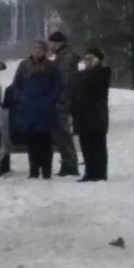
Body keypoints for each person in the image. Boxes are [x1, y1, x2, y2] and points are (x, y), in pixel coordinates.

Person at [10, 42, 64, 179]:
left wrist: (50, 100)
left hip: (45, 110)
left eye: (40, 49)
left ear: (45, 51)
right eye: (35, 49)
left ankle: (46, 170)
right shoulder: (24, 65)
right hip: (28, 109)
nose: (37, 51)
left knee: (45, 141)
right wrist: (21, 97)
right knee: (31, 141)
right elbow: (16, 84)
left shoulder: (51, 67)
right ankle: (33, 170)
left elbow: (58, 86)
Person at [71, 46, 112, 182]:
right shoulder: (81, 74)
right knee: (85, 145)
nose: (87, 62)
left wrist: (95, 67)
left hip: (97, 114)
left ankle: (99, 172)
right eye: (86, 59)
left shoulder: (103, 73)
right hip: (83, 114)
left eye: (91, 59)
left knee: (97, 145)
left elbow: (97, 85)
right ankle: (89, 171)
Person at [46, 30, 81, 177]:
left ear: (58, 43)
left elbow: (65, 82)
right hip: (62, 100)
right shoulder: (63, 57)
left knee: (63, 133)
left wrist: (60, 100)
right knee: (60, 134)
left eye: (52, 42)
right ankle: (67, 163)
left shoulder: (66, 58)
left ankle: (70, 165)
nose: (50, 45)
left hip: (63, 102)